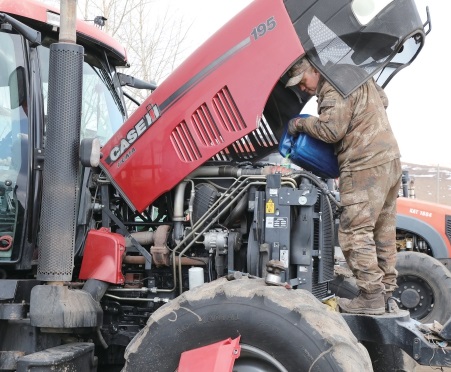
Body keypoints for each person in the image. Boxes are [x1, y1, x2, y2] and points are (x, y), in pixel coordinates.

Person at [285, 57, 402, 315]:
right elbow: (383, 100)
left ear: (314, 69)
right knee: (382, 231)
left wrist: (299, 123)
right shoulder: (356, 72)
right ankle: (386, 294)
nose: (303, 89)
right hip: (389, 160)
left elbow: (331, 130)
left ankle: (371, 295)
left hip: (363, 164)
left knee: (354, 231)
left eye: (302, 81)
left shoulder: (332, 82)